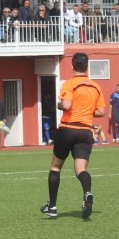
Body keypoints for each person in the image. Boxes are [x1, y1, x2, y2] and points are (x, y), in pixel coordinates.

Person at [41, 52, 105, 219]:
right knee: (81, 170)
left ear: (72, 66)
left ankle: (52, 206)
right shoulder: (96, 86)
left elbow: (67, 105)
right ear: (87, 66)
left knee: (56, 167)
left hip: (68, 129)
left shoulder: (69, 84)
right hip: (85, 131)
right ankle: (87, 193)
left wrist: (59, 104)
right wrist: (86, 110)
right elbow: (101, 111)